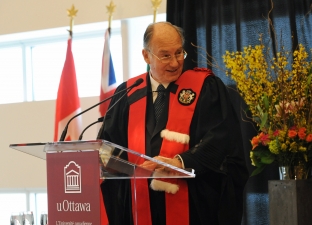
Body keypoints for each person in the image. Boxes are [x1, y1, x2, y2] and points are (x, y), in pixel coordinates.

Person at [97, 21, 249, 225]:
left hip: (193, 206)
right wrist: (119, 164)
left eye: (179, 53)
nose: (176, 63)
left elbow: (221, 139)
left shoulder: (205, 88)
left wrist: (180, 162)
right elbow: (107, 146)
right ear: (146, 56)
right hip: (139, 206)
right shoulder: (128, 93)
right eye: (166, 55)